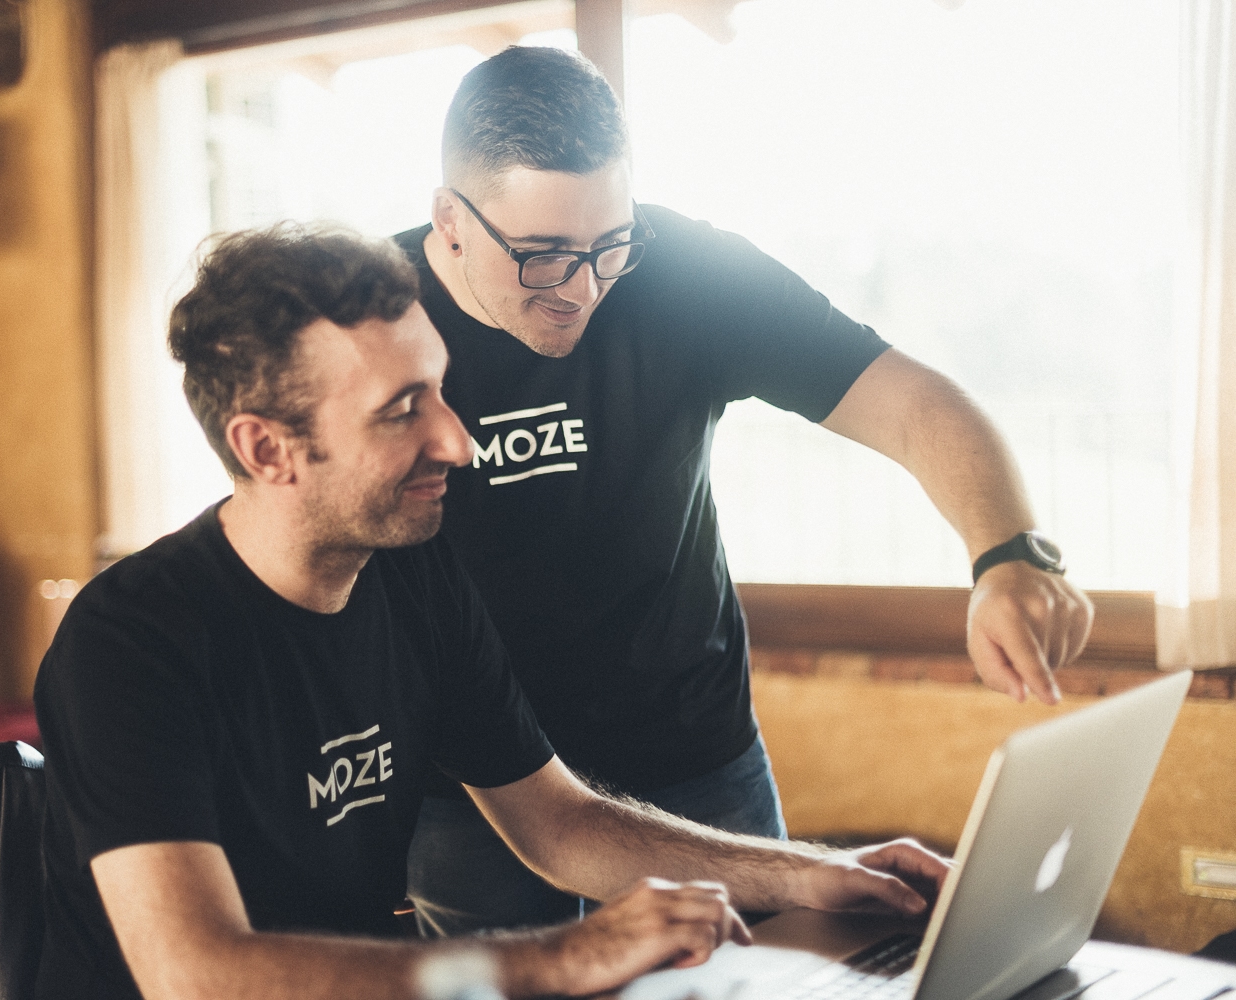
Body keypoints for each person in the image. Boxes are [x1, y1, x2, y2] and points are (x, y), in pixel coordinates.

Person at [33, 223, 951, 1000]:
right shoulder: (130, 643)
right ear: (267, 449)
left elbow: (558, 824)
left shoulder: (414, 577)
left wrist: (814, 873)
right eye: (403, 410)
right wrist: (563, 956)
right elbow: (197, 974)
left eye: (440, 388)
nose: (458, 440)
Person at [396, 45, 1095, 936]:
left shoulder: (683, 272)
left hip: (695, 753)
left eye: (610, 244)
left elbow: (913, 401)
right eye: (542, 255)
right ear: (450, 219)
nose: (584, 287)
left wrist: (1008, 552)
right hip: (476, 791)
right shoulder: (376, 316)